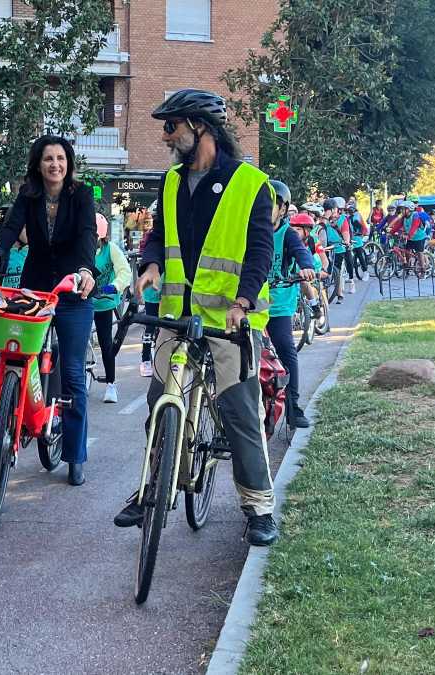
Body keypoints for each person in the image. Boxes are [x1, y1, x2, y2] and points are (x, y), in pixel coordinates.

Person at [113, 88, 280, 547]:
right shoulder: (170, 181)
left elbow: (261, 252)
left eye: (172, 126)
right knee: (159, 403)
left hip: (229, 320)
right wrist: (149, 266)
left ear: (200, 127)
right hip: (175, 315)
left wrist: (243, 303)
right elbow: (159, 236)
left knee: (241, 412)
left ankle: (258, 507)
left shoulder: (250, 183)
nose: (166, 135)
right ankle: (154, 486)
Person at [0, 135, 98, 487]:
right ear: (38, 163)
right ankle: (21, 415)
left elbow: (87, 235)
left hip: (73, 290)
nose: (55, 165)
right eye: (48, 159)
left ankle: (75, 455)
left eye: (61, 158)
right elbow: (9, 230)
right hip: (35, 290)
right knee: (20, 356)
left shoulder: (82, 195)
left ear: (69, 162)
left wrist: (86, 271)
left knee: (74, 374)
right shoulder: (28, 196)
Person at [266, 181, 317, 429]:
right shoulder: (251, 230)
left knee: (287, 351)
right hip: (250, 305)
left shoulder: (287, 233)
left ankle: (294, 407)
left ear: (283, 209)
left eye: (271, 203)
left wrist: (306, 267)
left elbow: (300, 250)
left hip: (278, 306)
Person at [92, 212, 132, 403]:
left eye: (94, 238)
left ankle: (111, 384)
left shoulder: (111, 249)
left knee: (106, 343)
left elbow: (125, 272)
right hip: (83, 302)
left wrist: (114, 286)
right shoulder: (82, 249)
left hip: (103, 301)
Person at [136, 206, 162, 378]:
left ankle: (157, 360)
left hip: (168, 292)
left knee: (161, 328)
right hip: (153, 292)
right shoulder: (151, 239)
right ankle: (145, 359)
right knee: (151, 326)